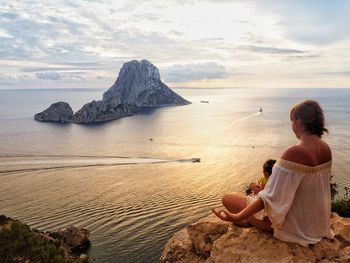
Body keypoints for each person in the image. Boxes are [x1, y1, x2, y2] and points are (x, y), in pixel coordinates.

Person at [212, 100, 334, 246]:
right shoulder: (326, 149)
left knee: (229, 198)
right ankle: (247, 222)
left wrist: (236, 215)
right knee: (244, 200)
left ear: (299, 122)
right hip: (315, 224)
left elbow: (267, 199)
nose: (292, 126)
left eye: (292, 121)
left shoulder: (294, 153)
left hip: (292, 227)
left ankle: (246, 222)